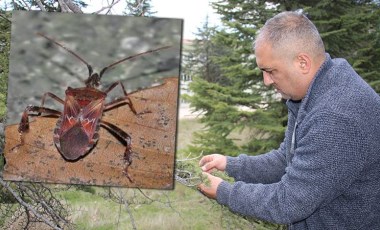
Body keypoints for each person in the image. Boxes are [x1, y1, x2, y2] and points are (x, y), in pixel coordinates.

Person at [197, 11, 380, 229]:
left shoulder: (335, 116)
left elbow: (288, 202)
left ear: (303, 63)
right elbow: (287, 159)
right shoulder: (316, 91)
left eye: (271, 71)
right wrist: (231, 165)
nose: (266, 81)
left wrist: (223, 191)